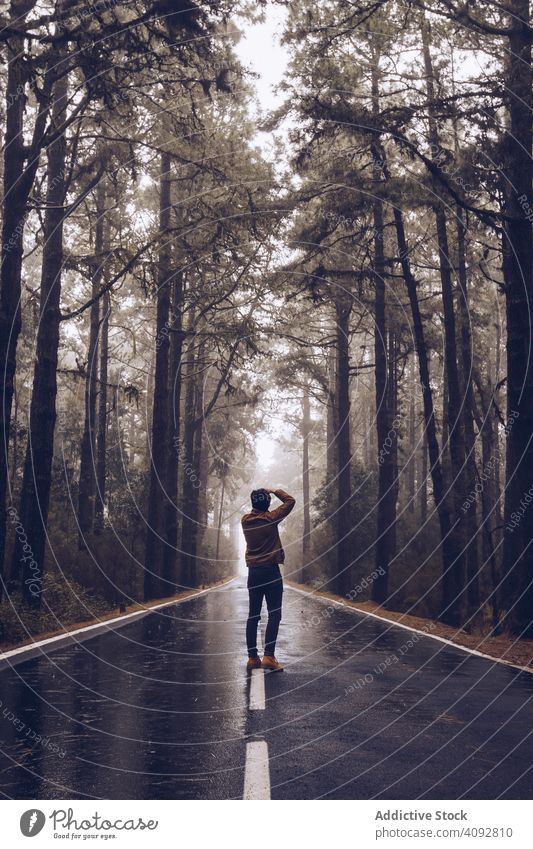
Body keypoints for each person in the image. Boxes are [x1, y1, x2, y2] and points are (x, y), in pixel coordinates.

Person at [241, 486, 295, 672]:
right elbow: (290, 502)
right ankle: (269, 657)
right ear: (267, 503)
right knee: (274, 614)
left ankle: (252, 658)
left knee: (253, 615)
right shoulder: (271, 519)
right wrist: (275, 490)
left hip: (254, 573)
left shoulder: (245, 521)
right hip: (271, 572)